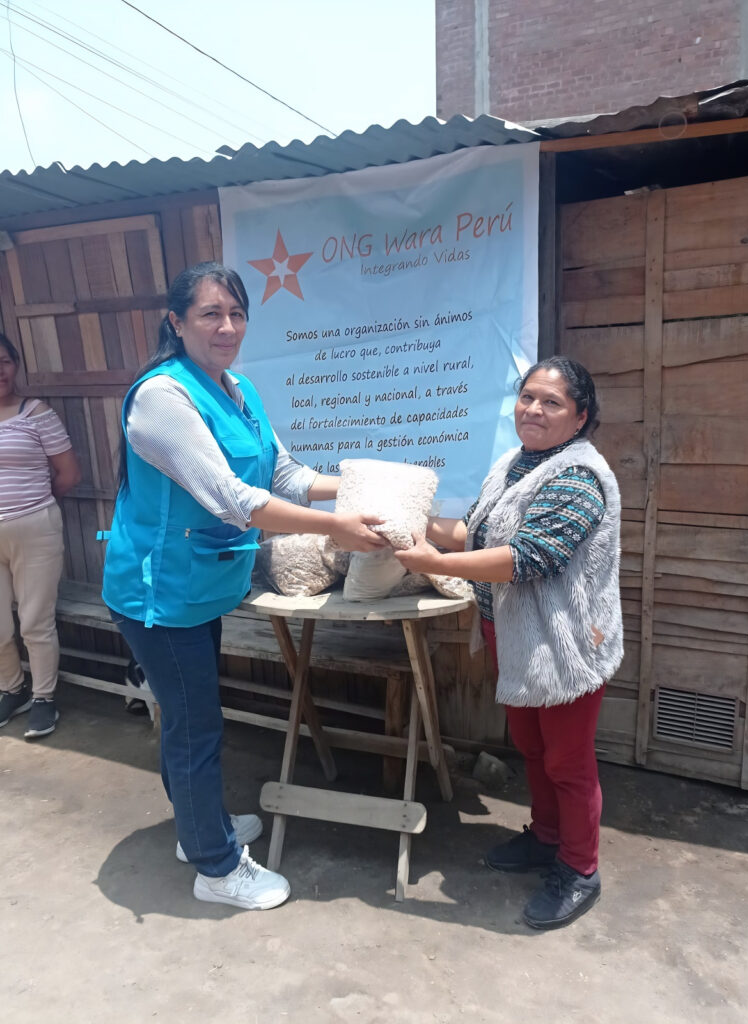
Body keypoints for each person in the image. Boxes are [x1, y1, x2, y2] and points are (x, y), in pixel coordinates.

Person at [101, 261, 386, 913]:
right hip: (159, 594)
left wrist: (365, 483)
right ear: (177, 322)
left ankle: (198, 828)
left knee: (189, 718)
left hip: (202, 585)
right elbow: (235, 499)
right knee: (196, 725)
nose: (226, 327)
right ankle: (216, 867)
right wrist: (336, 526)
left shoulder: (240, 389)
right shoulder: (161, 398)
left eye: (236, 313)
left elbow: (284, 476)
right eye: (210, 313)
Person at [395, 356, 623, 930]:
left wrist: (434, 561)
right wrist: (407, 527)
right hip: (514, 634)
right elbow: (473, 532)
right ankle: (546, 838)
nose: (534, 410)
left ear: (580, 417)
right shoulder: (513, 464)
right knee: (533, 747)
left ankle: (580, 869)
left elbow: (528, 558)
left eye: (552, 402)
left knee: (568, 760)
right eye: (527, 397)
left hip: (564, 644)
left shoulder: (579, 476)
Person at [0, 334, 81, 738]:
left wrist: (31, 506)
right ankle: (11, 689)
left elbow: (68, 474)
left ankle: (44, 697)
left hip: (34, 528)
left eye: (4, 361)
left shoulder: (36, 413)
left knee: (35, 620)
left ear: (15, 364)